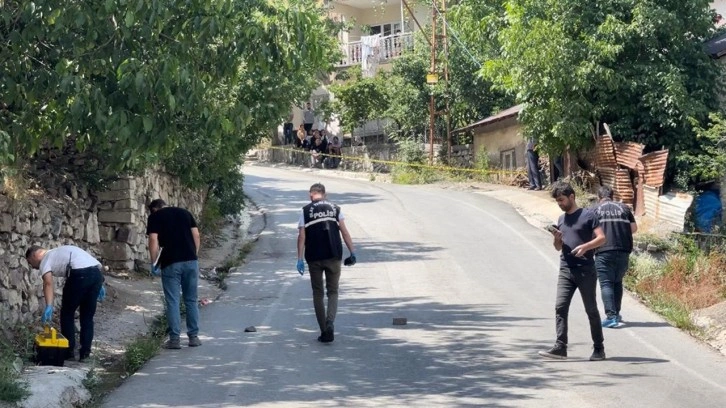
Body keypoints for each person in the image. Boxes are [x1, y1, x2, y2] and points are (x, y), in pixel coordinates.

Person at [540, 181, 607, 361]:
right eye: (557, 201)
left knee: (591, 310)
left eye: (562, 200)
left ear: (572, 197)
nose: (560, 204)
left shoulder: (588, 215)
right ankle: (560, 347)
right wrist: (556, 238)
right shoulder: (561, 220)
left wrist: (585, 247)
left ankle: (599, 348)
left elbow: (601, 238)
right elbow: (557, 247)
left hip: (585, 269)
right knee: (560, 307)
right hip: (565, 269)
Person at [297, 183, 356, 343]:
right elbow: (344, 231)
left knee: (318, 293)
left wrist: (299, 259)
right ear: (325, 194)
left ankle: (324, 331)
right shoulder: (335, 208)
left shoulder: (305, 210)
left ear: (311, 195)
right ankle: (330, 322)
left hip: (314, 257)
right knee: (333, 292)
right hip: (334, 255)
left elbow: (302, 236)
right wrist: (352, 252)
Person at [25, 245, 104, 362]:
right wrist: (100, 283)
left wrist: (49, 305)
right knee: (87, 317)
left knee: (67, 313)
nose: (32, 267)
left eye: (30, 262)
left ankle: (68, 351)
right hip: (96, 274)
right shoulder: (60, 251)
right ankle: (85, 354)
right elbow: (92, 263)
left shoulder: (46, 258)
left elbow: (48, 283)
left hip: (79, 274)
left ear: (35, 255)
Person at [147, 199, 202, 349]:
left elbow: (153, 239)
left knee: (173, 301)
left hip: (170, 263)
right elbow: (196, 235)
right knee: (191, 299)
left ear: (154, 209)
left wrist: (154, 262)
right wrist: (193, 255)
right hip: (191, 261)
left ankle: (174, 340)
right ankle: (193, 337)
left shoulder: (155, 217)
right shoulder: (185, 213)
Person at [594, 185, 637, 328]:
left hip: (604, 250)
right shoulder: (624, 208)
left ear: (599, 197)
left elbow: (589, 230)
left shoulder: (594, 210)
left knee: (606, 283)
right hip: (624, 250)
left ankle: (611, 317)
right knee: (617, 282)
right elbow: (634, 228)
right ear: (612, 195)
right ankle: (616, 314)